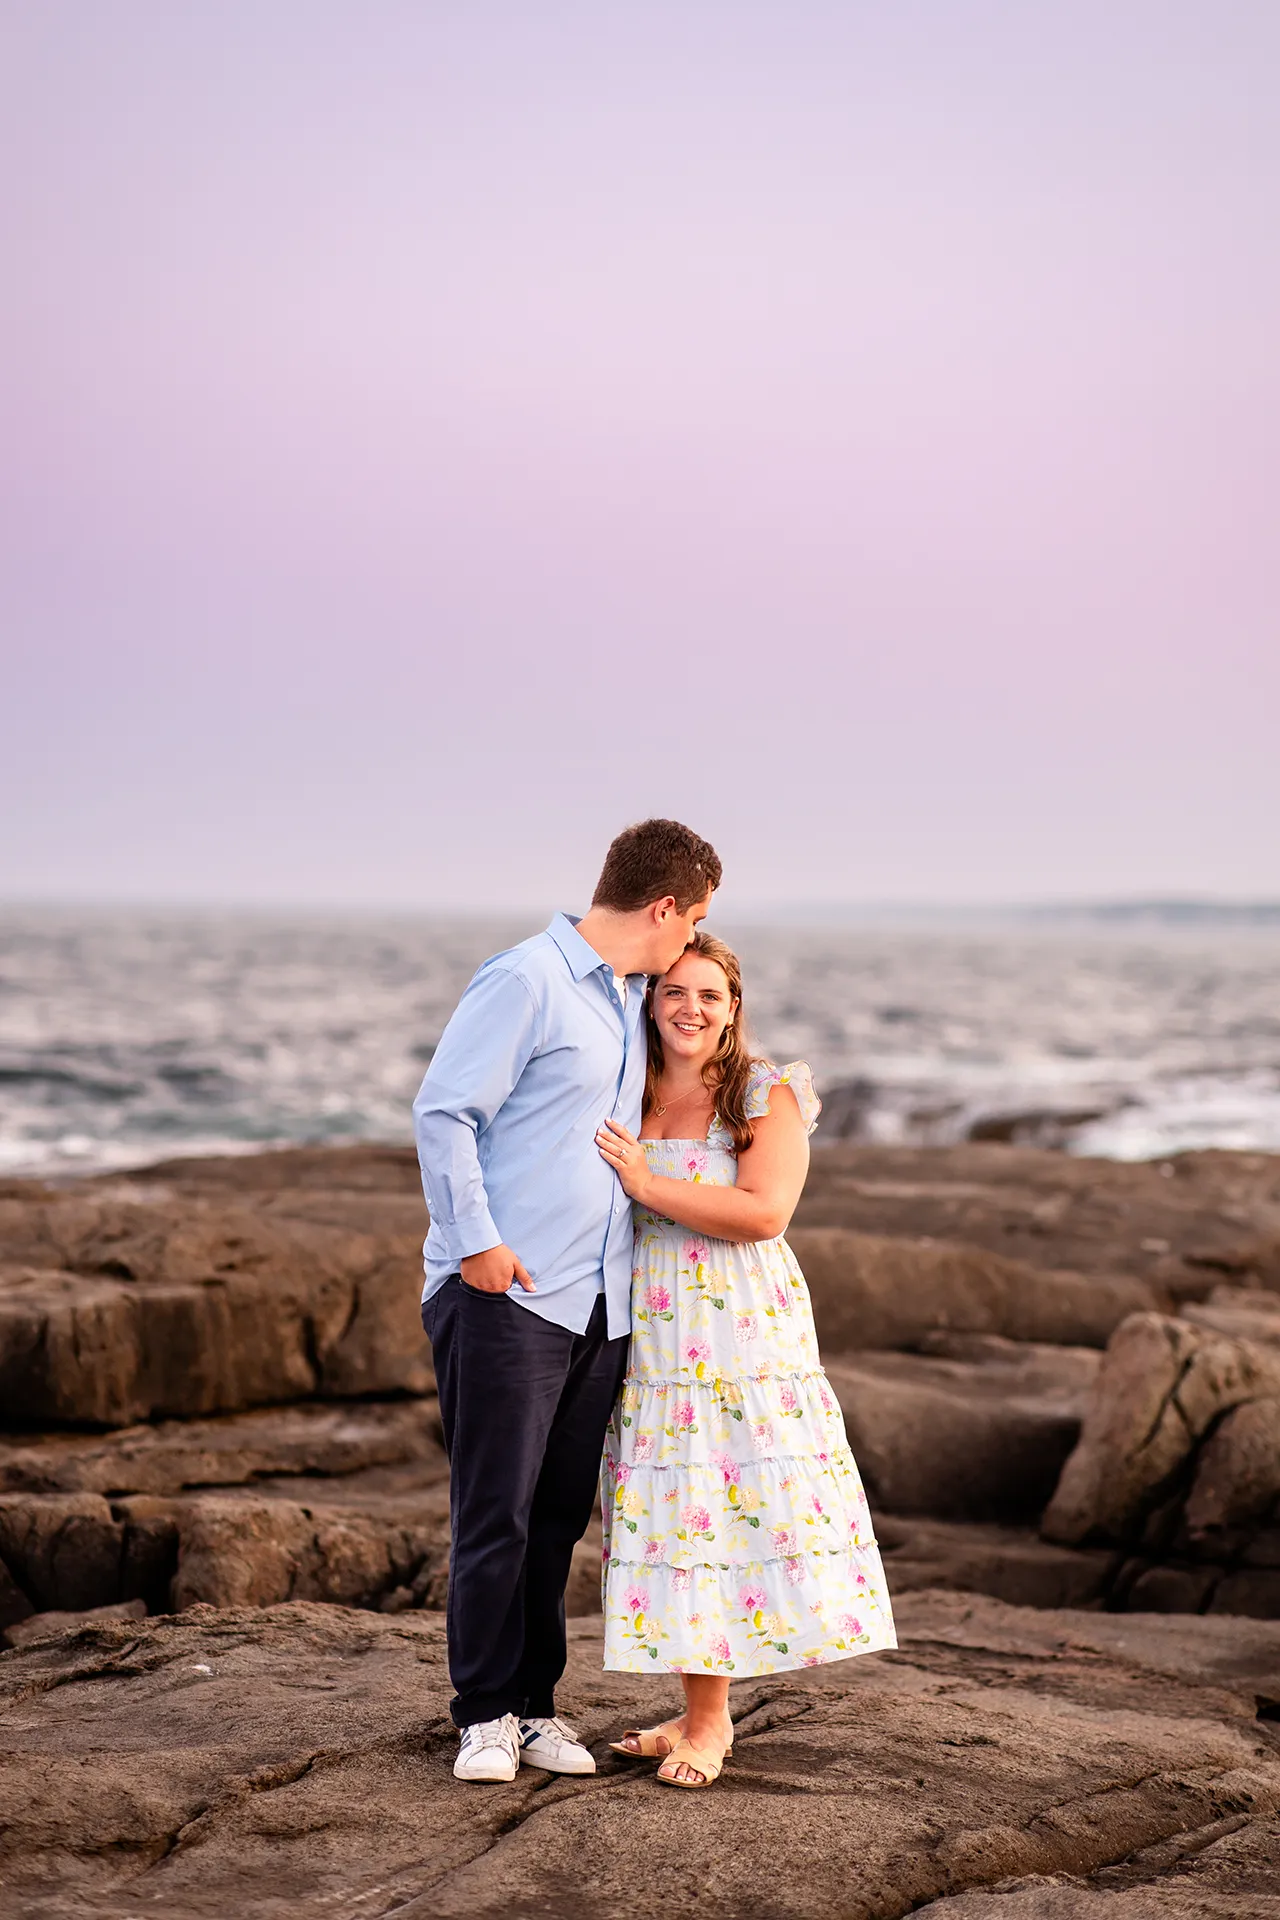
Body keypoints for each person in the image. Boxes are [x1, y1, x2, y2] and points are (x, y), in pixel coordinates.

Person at [413, 819, 721, 1783]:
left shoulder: (631, 1001)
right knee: (494, 1512)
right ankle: (482, 1716)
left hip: (603, 1307)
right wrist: (480, 1247)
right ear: (664, 906)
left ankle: (536, 1707)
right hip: (509, 1295)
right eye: (697, 917)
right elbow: (444, 1113)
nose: (693, 939)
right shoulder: (526, 980)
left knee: (556, 1521)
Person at [595, 932, 896, 1790]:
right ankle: (698, 1707)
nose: (691, 1010)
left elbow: (766, 1213)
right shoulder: (631, 1088)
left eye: (710, 997)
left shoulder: (766, 1093)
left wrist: (648, 1184)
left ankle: (709, 1720)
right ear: (651, 1002)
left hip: (734, 1329)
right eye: (674, 993)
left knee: (726, 1505)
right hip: (650, 1324)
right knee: (674, 1508)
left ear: (734, 1009)